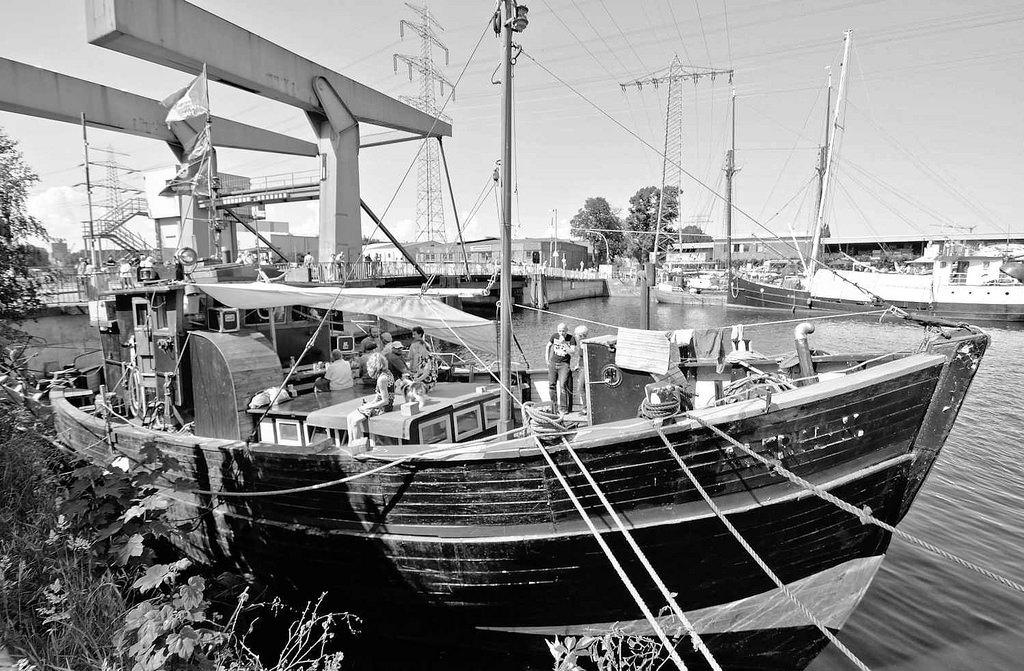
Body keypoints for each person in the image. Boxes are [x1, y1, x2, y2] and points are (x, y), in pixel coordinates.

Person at [347, 352, 394, 451]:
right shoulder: (387, 372)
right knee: (349, 417)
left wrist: (370, 407)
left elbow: (385, 401)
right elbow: (379, 396)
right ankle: (350, 443)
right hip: (378, 404)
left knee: (355, 421)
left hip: (383, 408)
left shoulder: (382, 379)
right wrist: (371, 403)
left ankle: (358, 446)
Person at [545, 322, 577, 413]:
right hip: (553, 363)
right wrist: (547, 359)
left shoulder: (571, 339)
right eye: (559, 331)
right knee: (551, 385)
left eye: (563, 331)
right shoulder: (554, 336)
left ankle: (563, 408)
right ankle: (554, 408)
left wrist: (564, 344)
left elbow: (572, 352)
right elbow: (548, 346)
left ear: (567, 330)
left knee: (563, 385)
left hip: (564, 364)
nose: (561, 333)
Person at [408, 326, 437, 390]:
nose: (413, 336)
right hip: (421, 372)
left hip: (422, 374)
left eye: (414, 334)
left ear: (420, 334)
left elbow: (411, 358)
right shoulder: (427, 345)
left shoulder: (414, 345)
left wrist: (411, 371)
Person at [572, 324, 589, 411]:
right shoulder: (581, 343)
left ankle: (586, 408)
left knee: (581, 388)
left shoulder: (585, 344)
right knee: (583, 388)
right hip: (581, 367)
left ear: (581, 336)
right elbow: (580, 357)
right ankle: (586, 407)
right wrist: (577, 365)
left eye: (576, 335)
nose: (575, 336)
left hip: (585, 368)